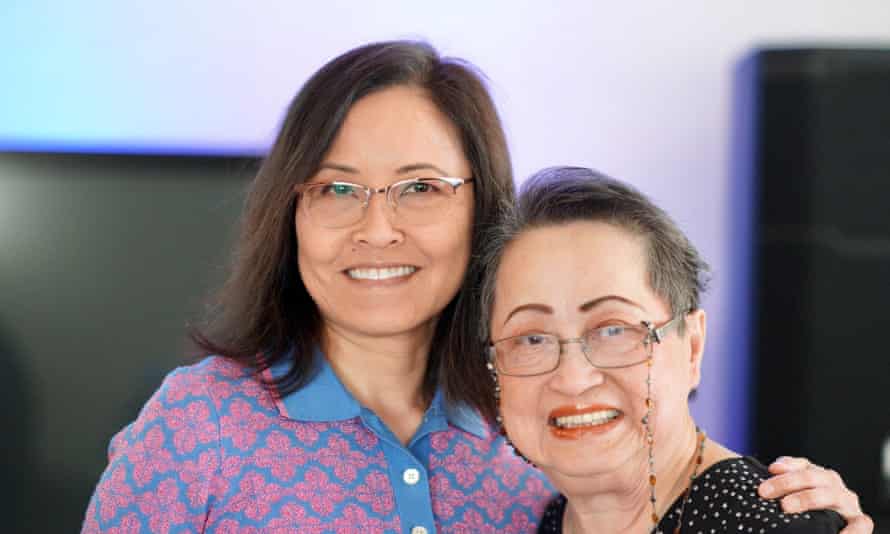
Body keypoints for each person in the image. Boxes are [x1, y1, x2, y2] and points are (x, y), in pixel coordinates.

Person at [82, 42, 871, 533]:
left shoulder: (542, 423)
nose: (378, 228)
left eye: (420, 187)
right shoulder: (198, 426)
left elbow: (686, 492)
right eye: (336, 188)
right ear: (289, 214)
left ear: (482, 209)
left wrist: (797, 507)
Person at [481, 166, 873, 533]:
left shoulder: (763, 523)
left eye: (613, 329)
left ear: (693, 347)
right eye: (532, 339)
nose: (572, 379)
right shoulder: (549, 520)